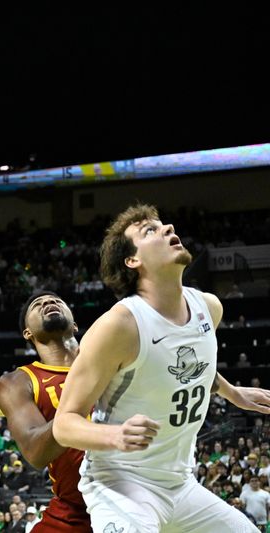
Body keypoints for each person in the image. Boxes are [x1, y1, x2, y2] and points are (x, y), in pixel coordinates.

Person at [53, 203, 270, 532]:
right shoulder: (119, 326)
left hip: (181, 484)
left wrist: (231, 391)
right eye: (150, 231)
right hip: (121, 483)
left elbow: (186, 364)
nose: (168, 228)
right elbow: (64, 425)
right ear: (132, 261)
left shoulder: (208, 308)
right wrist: (115, 435)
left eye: (164, 224)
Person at [0, 291, 91, 532]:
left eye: (57, 300)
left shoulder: (105, 359)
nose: (48, 302)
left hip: (135, 487)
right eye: (37, 305)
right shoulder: (18, 381)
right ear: (27, 333)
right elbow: (36, 452)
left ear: (75, 325)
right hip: (74, 509)